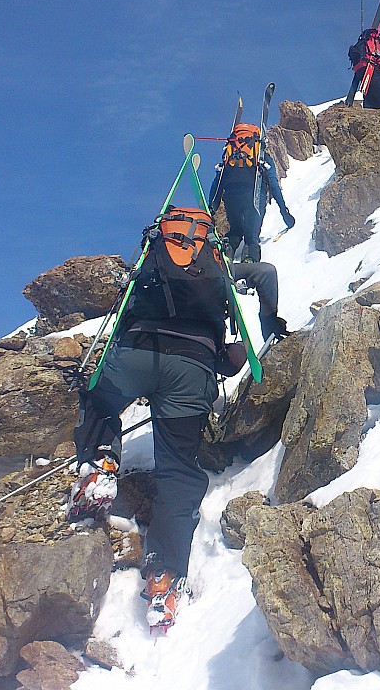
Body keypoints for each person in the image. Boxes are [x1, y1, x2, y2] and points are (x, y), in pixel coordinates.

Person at [66, 205, 287, 631]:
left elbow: (121, 305)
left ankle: (100, 465)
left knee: (98, 398)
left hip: (135, 352)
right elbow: (267, 274)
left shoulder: (153, 258)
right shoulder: (220, 264)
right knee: (179, 472)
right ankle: (164, 580)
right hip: (192, 370)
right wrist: (262, 325)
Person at [208, 123, 294, 263]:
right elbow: (274, 185)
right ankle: (249, 263)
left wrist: (211, 208)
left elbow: (218, 183)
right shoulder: (263, 158)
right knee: (251, 237)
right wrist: (284, 212)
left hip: (231, 196)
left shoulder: (230, 157)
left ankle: (225, 257)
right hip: (254, 196)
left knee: (235, 230)